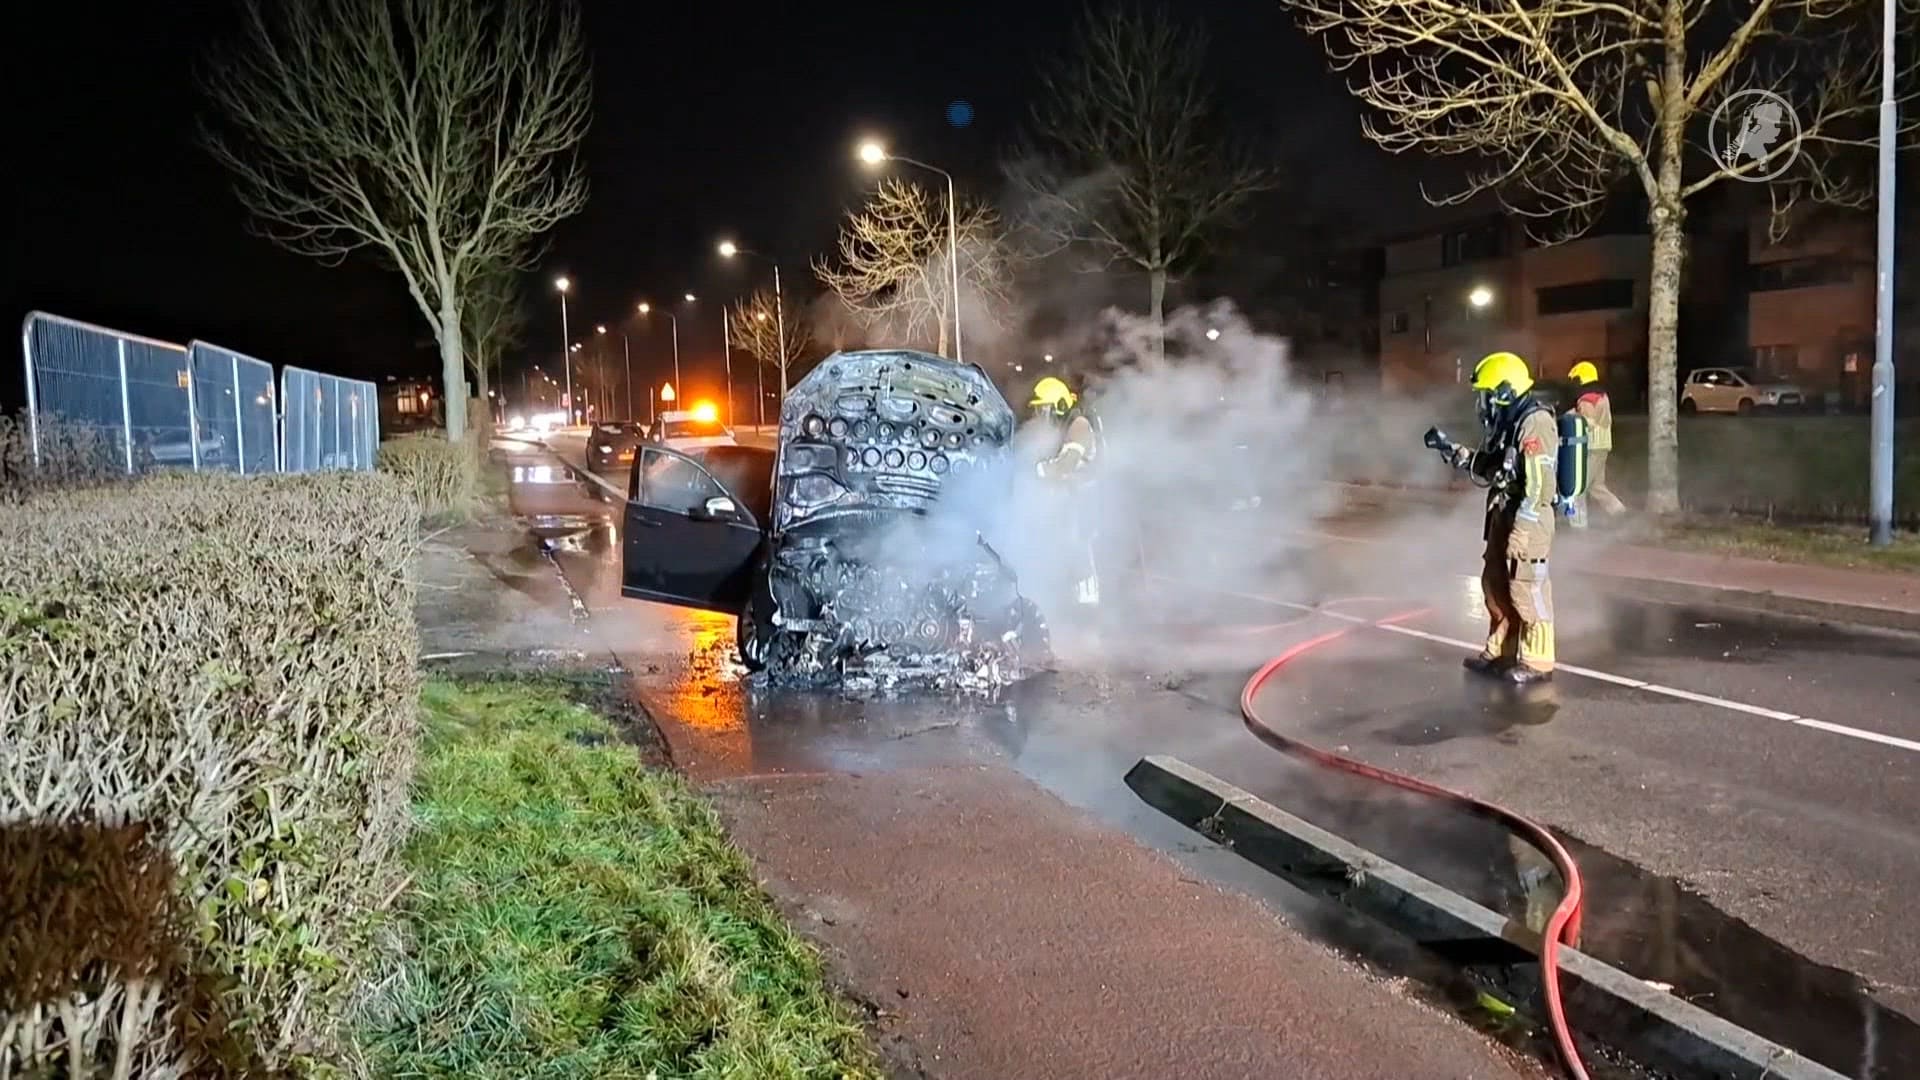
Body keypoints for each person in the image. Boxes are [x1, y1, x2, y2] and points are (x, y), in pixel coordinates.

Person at [1440, 351, 1559, 686]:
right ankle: (1501, 651)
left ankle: (1538, 661)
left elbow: (1539, 486)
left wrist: (1523, 531)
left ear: (1505, 392)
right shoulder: (1510, 424)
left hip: (1529, 520)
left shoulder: (1535, 422)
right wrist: (1453, 451)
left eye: (1487, 395)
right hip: (1504, 512)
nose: (1484, 404)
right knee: (1495, 584)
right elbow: (1491, 467)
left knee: (1527, 587)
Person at [1030, 376, 1103, 605]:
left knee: (1079, 549)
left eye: (1045, 408)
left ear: (1060, 406)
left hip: (1085, 500)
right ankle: (1069, 600)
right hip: (1073, 498)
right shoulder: (1065, 426)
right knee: (1065, 547)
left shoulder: (1079, 426)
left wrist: (1035, 470)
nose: (1042, 414)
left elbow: (1064, 466)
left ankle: (1089, 605)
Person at [1568, 362, 1625, 520]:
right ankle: (1620, 512)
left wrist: (1569, 417)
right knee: (1597, 486)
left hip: (1591, 447)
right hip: (1603, 445)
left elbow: (1587, 423)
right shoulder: (1601, 395)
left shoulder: (1586, 399)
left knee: (1579, 488)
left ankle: (1578, 524)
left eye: (1576, 379)